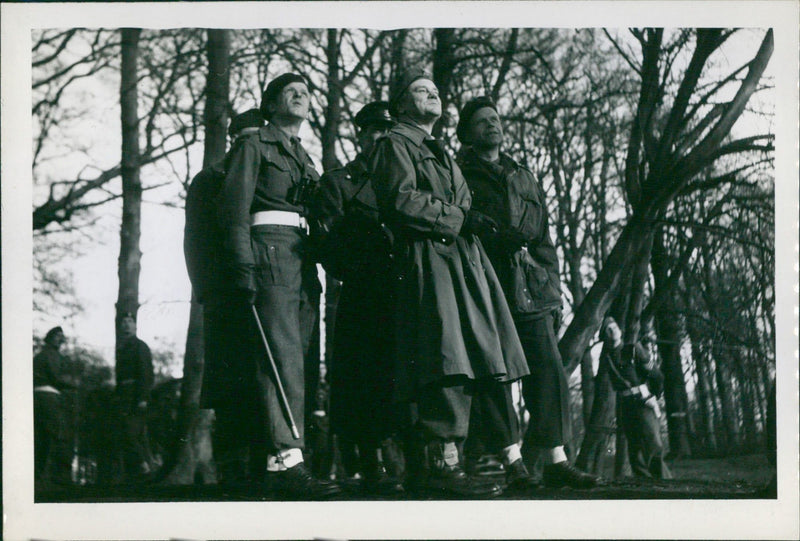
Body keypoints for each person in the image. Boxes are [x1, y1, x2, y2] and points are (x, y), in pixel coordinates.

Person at [370, 70, 532, 498]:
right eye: (422, 90)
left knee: (484, 356)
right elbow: (401, 199)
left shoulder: (439, 151)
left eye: (436, 91)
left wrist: (465, 221)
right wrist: (459, 218)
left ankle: (503, 458)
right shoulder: (394, 144)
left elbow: (456, 202)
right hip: (429, 260)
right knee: (447, 357)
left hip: (465, 261)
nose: (433, 95)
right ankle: (443, 463)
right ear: (402, 105)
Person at [455, 96, 599, 488]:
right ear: (467, 134)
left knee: (548, 369)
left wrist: (551, 289)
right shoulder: (458, 173)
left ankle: (555, 458)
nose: (492, 125)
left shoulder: (523, 175)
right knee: (495, 374)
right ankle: (512, 461)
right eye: (482, 121)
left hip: (529, 287)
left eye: (496, 119)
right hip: (484, 283)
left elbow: (544, 240)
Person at [209, 72, 339, 499]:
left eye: (305, 92)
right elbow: (233, 210)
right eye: (291, 91)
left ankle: (277, 458)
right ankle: (286, 459)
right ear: (270, 103)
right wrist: (242, 266)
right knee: (278, 355)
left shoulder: (304, 156)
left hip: (302, 257)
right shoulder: (253, 145)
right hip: (269, 251)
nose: (301, 96)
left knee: (297, 358)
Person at [309, 101, 404, 494]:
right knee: (361, 377)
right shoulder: (339, 182)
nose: (380, 140)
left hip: (405, 290)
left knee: (403, 375)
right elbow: (326, 243)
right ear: (360, 137)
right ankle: (368, 462)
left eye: (387, 133)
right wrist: (361, 265)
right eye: (373, 133)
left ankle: (411, 460)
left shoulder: (405, 182)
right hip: (364, 293)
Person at [600, 317, 671, 479]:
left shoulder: (633, 349)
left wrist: (654, 396)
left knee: (653, 445)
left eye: (615, 327)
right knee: (634, 449)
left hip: (643, 402)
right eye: (608, 330)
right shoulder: (607, 358)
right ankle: (644, 484)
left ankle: (665, 483)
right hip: (625, 405)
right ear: (605, 336)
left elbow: (657, 376)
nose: (613, 331)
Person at [115, 312, 155, 481]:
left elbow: (146, 373)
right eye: (124, 322)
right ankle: (142, 472)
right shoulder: (122, 348)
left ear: (135, 326)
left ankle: (146, 468)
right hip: (124, 398)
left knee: (131, 434)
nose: (126, 324)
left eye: (130, 321)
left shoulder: (140, 346)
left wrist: (143, 398)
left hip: (135, 397)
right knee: (130, 435)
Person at [34, 326, 74, 486]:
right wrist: (73, 384)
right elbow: (56, 377)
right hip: (48, 396)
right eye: (57, 336)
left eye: (61, 336)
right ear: (50, 339)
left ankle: (40, 476)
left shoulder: (40, 355)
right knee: (59, 434)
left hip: (38, 396)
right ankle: (60, 477)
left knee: (42, 437)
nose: (60, 339)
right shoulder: (51, 355)